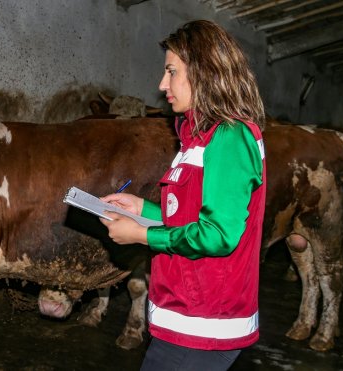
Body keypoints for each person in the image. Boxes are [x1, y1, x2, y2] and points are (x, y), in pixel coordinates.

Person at [100, 20, 266, 371]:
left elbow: (219, 235)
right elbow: (192, 214)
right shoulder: (198, 135)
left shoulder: (230, 137)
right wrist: (141, 208)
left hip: (206, 324)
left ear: (204, 73)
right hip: (186, 316)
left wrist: (141, 235)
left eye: (171, 72)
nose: (162, 85)